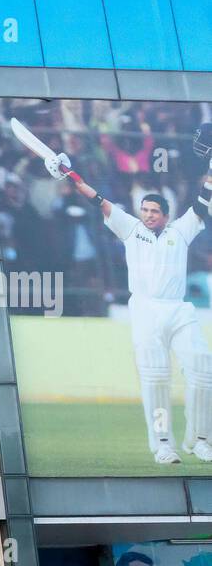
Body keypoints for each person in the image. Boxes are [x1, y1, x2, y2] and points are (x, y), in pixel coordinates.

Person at [63, 156, 212, 464]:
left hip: (178, 310)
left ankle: (200, 440)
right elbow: (99, 201)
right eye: (144, 209)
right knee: (156, 379)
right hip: (146, 310)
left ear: (166, 215)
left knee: (203, 369)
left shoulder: (180, 231)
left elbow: (202, 202)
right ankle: (162, 444)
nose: (148, 215)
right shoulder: (131, 229)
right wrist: (71, 175)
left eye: (154, 211)